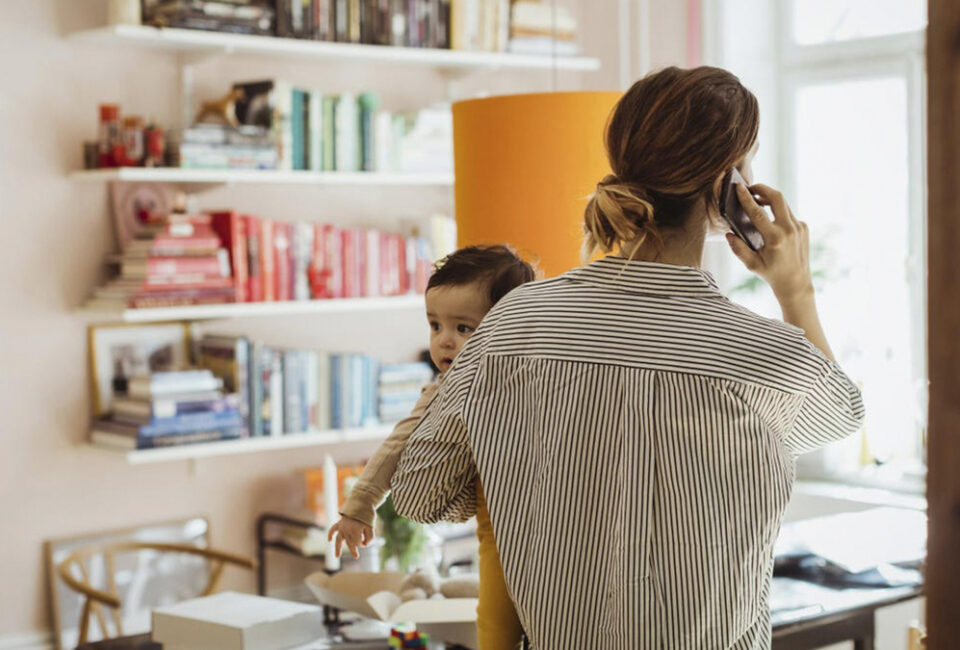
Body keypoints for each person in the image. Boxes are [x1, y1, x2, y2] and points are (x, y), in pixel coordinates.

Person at [389, 66, 865, 649]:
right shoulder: (759, 353)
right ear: (728, 185)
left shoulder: (512, 324)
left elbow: (420, 492)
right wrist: (795, 288)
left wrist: (530, 474)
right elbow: (840, 415)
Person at [328, 244, 537, 650]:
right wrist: (360, 505)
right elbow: (399, 442)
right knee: (495, 624)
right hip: (496, 530)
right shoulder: (443, 389)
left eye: (464, 329)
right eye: (435, 325)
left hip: (555, 525)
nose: (444, 342)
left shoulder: (538, 374)